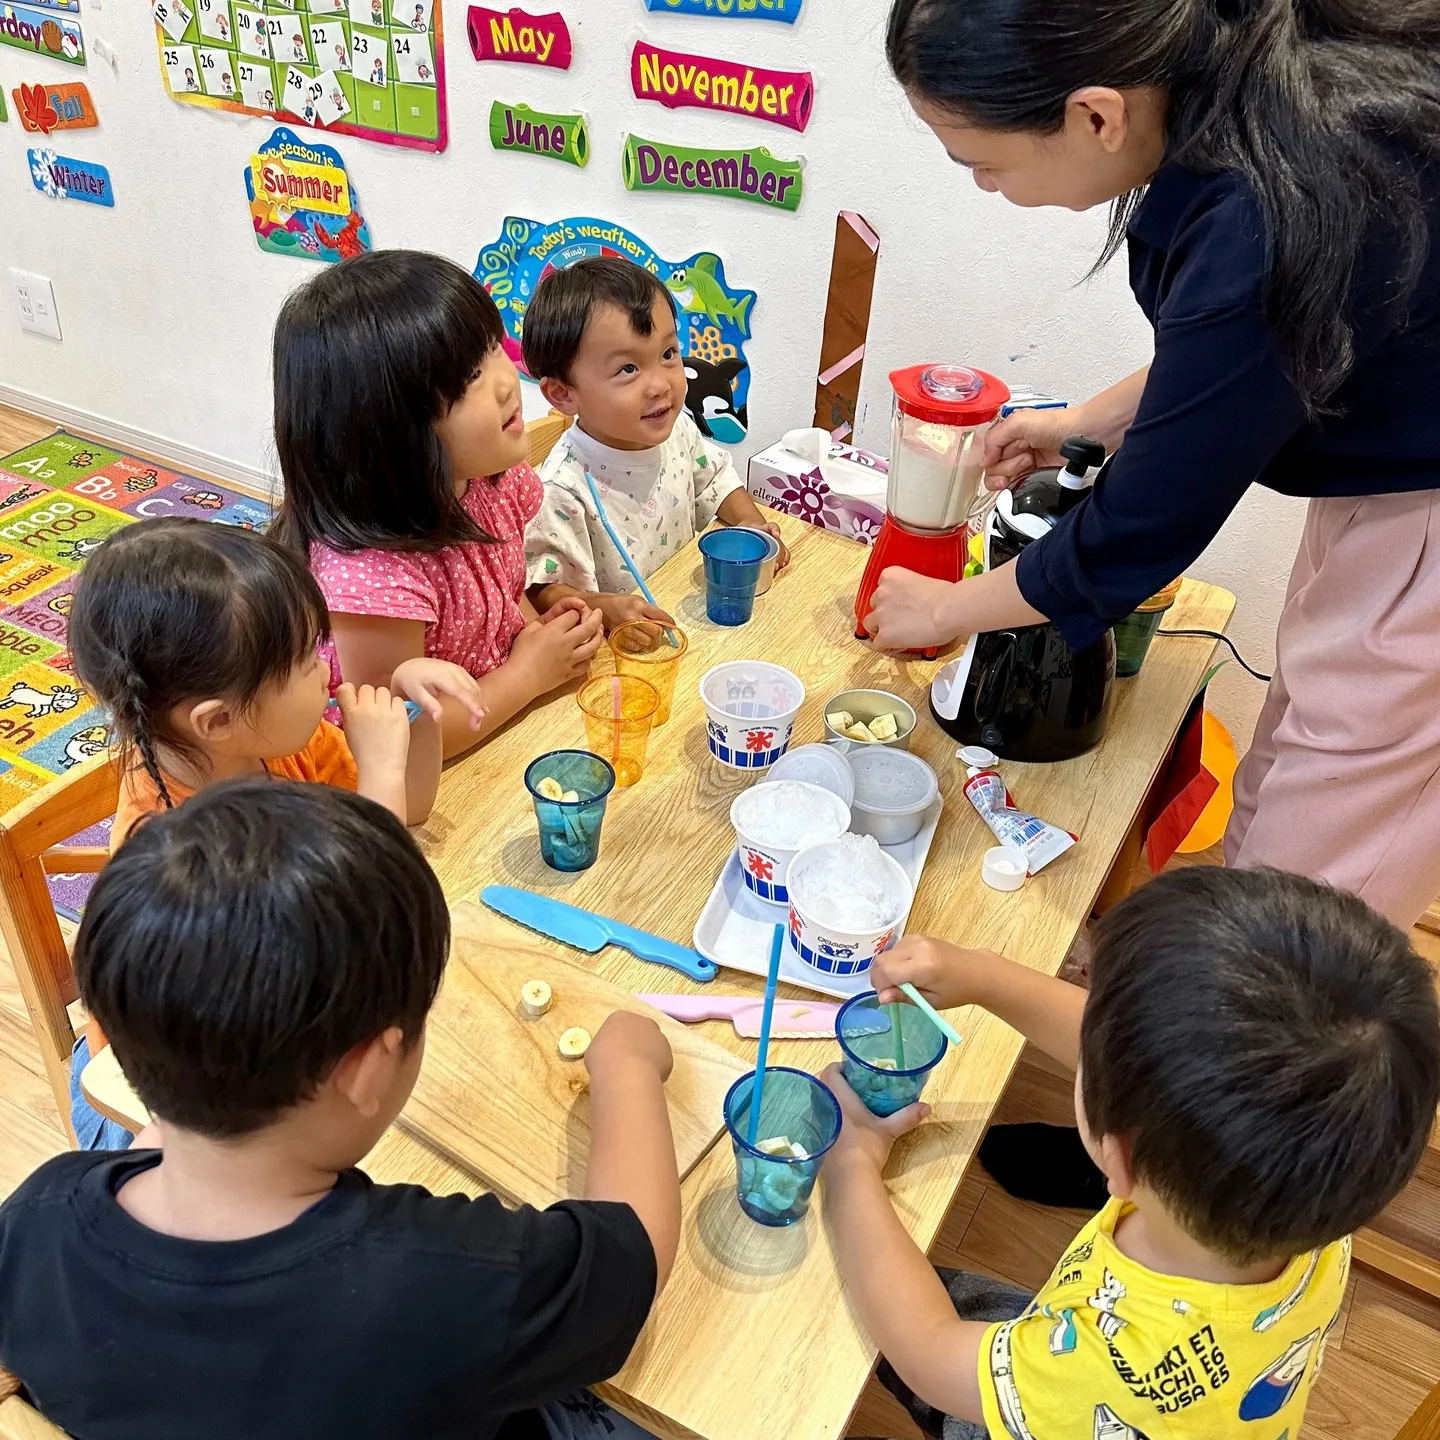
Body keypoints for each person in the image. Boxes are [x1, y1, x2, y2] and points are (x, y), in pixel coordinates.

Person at [870, 0, 1440, 930]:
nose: (980, 186)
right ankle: (1216, 939)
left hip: (1425, 512)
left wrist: (939, 609)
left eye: (982, 162)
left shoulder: (1272, 194)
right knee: (1308, 740)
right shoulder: (1243, 84)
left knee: (1326, 880)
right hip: (1392, 483)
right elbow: (1258, 354)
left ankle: (1247, 1026)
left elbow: (1133, 531)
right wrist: (1090, 419)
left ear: (1097, 115)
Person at [0, 781, 681, 1440]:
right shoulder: (438, 1282)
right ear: (368, 1067)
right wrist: (628, 1070)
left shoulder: (34, 1220)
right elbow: (637, 1257)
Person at [824, 867, 1440, 1440]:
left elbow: (931, 1356)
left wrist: (850, 1161)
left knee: (859, 1303)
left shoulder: (1111, 1362)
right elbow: (1142, 1064)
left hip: (1072, 1397)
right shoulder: (1321, 1169)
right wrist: (987, 977)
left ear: (1114, 1160)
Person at [64, 518, 481, 1151]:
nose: (325, 671)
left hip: (277, 1024)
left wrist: (407, 710)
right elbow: (357, 910)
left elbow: (410, 812)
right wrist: (383, 771)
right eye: (302, 662)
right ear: (219, 720)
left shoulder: (286, 741)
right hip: (153, 1102)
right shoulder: (174, 851)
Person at [270, 250, 605, 760]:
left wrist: (540, 630)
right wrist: (527, 674)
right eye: (470, 377)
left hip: (494, 726)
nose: (504, 381)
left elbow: (501, 587)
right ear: (389, 432)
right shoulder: (371, 573)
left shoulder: (490, 481)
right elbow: (396, 742)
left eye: (492, 347)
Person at [521, 256, 787, 633]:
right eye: (628, 369)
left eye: (668, 355)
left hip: (689, 620)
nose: (661, 385)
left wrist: (750, 523)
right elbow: (540, 590)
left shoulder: (677, 428)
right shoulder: (561, 490)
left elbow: (715, 479)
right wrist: (605, 609)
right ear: (563, 394)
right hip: (622, 657)